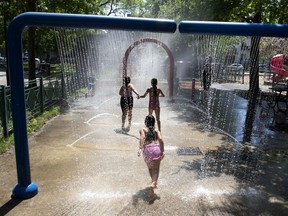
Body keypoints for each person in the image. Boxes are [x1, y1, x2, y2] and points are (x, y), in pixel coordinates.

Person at [137, 115, 164, 197]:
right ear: (154, 122)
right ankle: (154, 183)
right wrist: (162, 150)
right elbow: (161, 139)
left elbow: (142, 137)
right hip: (156, 149)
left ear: (145, 122)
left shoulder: (143, 129)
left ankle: (152, 190)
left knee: (150, 168)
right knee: (156, 169)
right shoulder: (157, 130)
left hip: (147, 151)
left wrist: (140, 148)